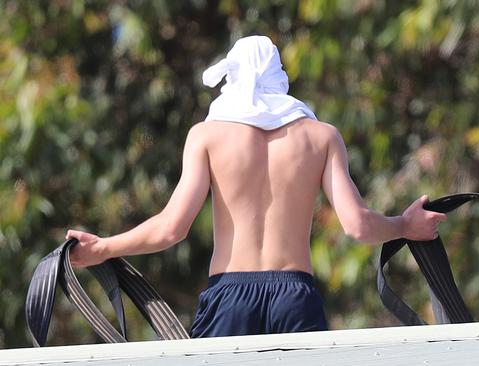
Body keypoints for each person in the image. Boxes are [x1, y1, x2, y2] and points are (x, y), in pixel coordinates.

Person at [66, 35, 447, 337]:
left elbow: (171, 228)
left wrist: (103, 248)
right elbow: (358, 226)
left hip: (230, 297)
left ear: (232, 77)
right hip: (295, 296)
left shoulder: (207, 136)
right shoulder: (321, 137)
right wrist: (404, 226)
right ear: (278, 75)